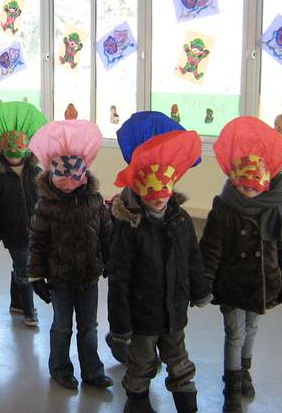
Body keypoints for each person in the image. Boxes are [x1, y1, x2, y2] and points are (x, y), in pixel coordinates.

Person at [199, 116, 282, 413]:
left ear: (266, 184)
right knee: (235, 333)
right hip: (232, 285)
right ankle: (231, 386)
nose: (248, 193)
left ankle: (244, 372)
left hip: (263, 284)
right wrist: (204, 288)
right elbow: (210, 251)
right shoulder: (224, 209)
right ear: (234, 182)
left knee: (252, 329)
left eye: (254, 187)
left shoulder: (277, 211)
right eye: (243, 188)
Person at [108, 128, 211, 413]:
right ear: (139, 191)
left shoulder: (180, 219)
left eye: (164, 193)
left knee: (179, 362)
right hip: (141, 316)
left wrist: (201, 291)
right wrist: (120, 324)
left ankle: (187, 407)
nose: (159, 199)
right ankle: (137, 404)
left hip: (174, 311)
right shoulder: (128, 227)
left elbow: (192, 257)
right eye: (151, 193)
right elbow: (119, 278)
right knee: (141, 364)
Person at [27, 119, 113, 390]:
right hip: (60, 278)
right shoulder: (46, 205)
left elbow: (106, 232)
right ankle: (60, 368)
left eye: (74, 177)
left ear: (84, 175)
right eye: (61, 179)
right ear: (52, 176)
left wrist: (111, 261)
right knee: (62, 327)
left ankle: (92, 370)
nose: (68, 184)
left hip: (89, 276)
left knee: (89, 327)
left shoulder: (94, 200)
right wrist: (36, 275)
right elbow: (37, 241)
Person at [0, 101, 47, 326]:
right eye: (9, 152)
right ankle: (29, 311)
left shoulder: (37, 173)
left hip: (36, 231)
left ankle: (16, 303)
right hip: (14, 233)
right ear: (2, 151)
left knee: (20, 268)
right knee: (26, 269)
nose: (14, 157)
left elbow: (44, 202)